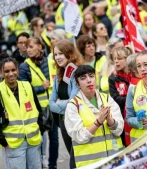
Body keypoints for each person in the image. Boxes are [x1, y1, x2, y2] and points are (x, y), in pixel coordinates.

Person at [0, 57, 44, 169]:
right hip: (12, 144)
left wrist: (40, 130)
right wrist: (2, 141)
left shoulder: (27, 86)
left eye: (13, 70)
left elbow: (38, 110)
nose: (11, 74)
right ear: (1, 72)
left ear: (17, 70)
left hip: (33, 140)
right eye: (7, 71)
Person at [65, 65, 124, 167]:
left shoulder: (107, 98)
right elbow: (79, 136)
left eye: (91, 76)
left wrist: (110, 120)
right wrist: (98, 122)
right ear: (77, 84)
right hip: (90, 164)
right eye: (83, 78)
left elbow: (119, 130)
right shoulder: (73, 105)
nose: (89, 80)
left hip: (114, 162)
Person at [19, 37, 57, 169]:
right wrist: (41, 88)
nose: (28, 50)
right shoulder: (24, 66)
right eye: (27, 47)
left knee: (54, 139)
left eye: (31, 46)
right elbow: (23, 90)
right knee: (39, 139)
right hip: (36, 110)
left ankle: (52, 165)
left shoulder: (51, 62)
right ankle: (40, 163)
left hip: (52, 107)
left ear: (40, 47)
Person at [49, 40, 84, 169]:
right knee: (72, 155)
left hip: (77, 121)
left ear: (69, 54)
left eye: (60, 54)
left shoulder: (77, 73)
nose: (57, 57)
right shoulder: (58, 75)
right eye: (55, 54)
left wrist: (60, 103)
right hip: (64, 122)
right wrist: (64, 104)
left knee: (75, 160)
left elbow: (74, 101)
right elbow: (51, 103)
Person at [109, 46, 133, 146]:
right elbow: (115, 98)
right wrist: (132, 98)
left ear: (128, 59)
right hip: (122, 117)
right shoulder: (113, 78)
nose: (116, 61)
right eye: (114, 59)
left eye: (119, 59)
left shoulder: (136, 75)